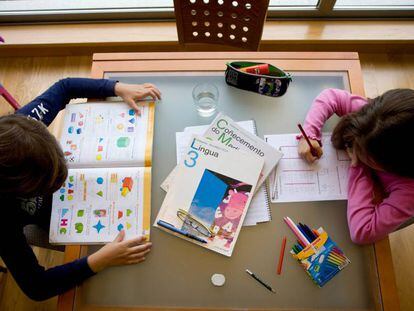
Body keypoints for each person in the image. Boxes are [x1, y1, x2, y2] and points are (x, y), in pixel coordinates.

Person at [0, 78, 161, 301]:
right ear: (23, 189)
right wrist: (100, 260)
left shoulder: (18, 130)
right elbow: (36, 286)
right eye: (49, 182)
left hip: (75, 205)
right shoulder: (3, 220)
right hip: (54, 222)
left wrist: (116, 88)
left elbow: (65, 87)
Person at [297, 88, 414, 244]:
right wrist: (309, 134)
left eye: (367, 155)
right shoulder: (375, 122)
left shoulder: (409, 191)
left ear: (391, 164)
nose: (353, 148)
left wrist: (358, 164)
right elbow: (331, 96)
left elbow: (362, 232)